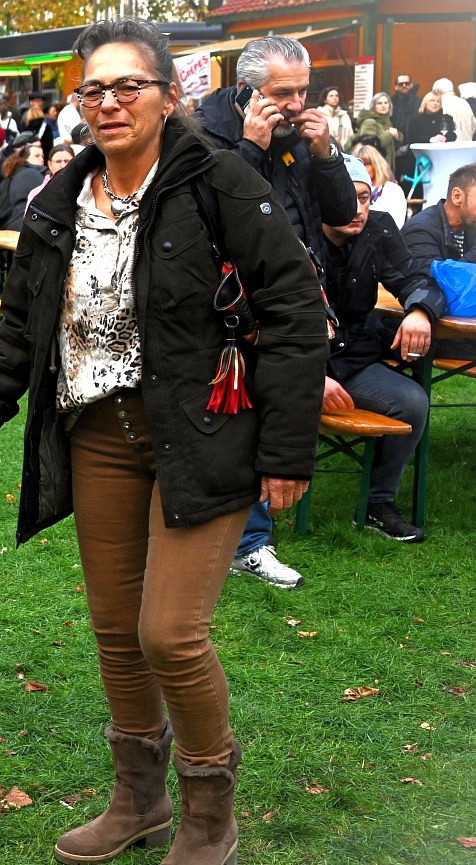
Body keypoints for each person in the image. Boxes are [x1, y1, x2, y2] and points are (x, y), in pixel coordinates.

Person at [0, 18, 327, 865]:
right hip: (98, 435)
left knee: (170, 634)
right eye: (93, 90)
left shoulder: (219, 182)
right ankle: (140, 799)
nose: (109, 103)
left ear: (169, 96)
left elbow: (296, 309)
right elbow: (21, 327)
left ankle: (208, 819)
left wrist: (286, 450)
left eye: (129, 87)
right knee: (117, 634)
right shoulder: (60, 201)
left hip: (203, 435)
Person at [195, 33, 358, 590]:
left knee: (270, 409)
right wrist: (249, 151)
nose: (296, 103)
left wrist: (327, 155)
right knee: (241, 413)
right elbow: (214, 219)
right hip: (231, 300)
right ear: (246, 90)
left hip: (293, 294)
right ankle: (244, 541)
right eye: (283, 92)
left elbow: (341, 215)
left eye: (303, 91)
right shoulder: (205, 131)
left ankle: (248, 540)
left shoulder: (299, 135)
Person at [319, 155, 442, 542]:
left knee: (412, 400)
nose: (357, 210)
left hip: (352, 355)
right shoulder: (298, 232)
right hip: (295, 360)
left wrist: (420, 310)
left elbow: (413, 277)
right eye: (346, 198)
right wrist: (311, 376)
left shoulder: (377, 228)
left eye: (365, 198)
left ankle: (378, 504)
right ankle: (259, 514)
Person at [402, 163, 476, 361]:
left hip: (463, 322)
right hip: (430, 327)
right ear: (457, 196)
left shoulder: (470, 227)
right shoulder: (420, 229)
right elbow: (435, 285)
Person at [0, 142, 46, 228]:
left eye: (42, 156)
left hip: (6, 226)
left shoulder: (15, 174)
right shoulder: (32, 174)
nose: (41, 159)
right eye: (37, 156)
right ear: (25, 158)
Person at [354, 143, 407, 228]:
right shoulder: (350, 191)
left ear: (376, 165)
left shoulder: (392, 190)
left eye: (366, 164)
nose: (362, 169)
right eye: (359, 165)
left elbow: (397, 224)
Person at [353, 92, 400, 167]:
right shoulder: (369, 122)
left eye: (386, 103)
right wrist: (389, 134)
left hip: (386, 167)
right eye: (379, 103)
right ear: (373, 106)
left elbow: (391, 148)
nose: (383, 106)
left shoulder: (387, 123)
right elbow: (369, 146)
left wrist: (397, 137)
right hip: (374, 167)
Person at [26, 142, 74, 209]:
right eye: (58, 161)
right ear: (50, 164)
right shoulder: (36, 193)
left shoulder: (83, 190)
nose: (63, 165)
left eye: (67, 161)